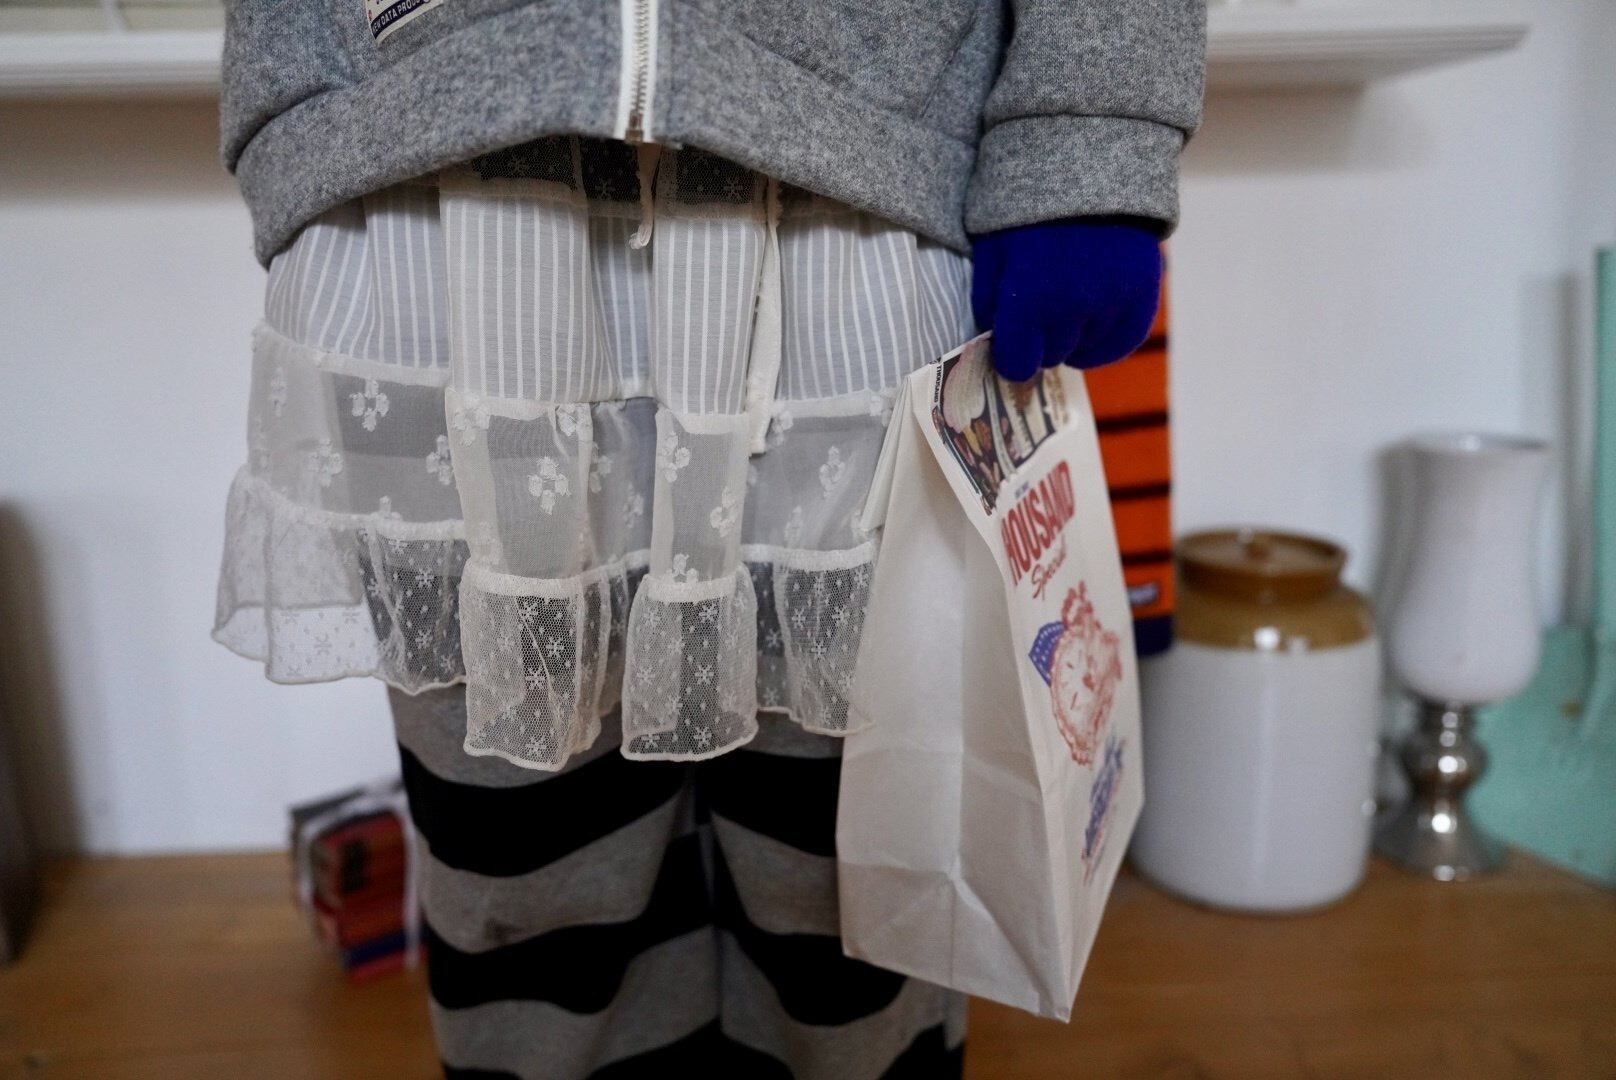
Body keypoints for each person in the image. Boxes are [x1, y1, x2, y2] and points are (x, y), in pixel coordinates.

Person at [214, 2, 1205, 1076]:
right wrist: (302, 114)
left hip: (850, 216)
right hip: (446, 221)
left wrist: (1087, 127)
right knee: (524, 875)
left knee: (842, 880)